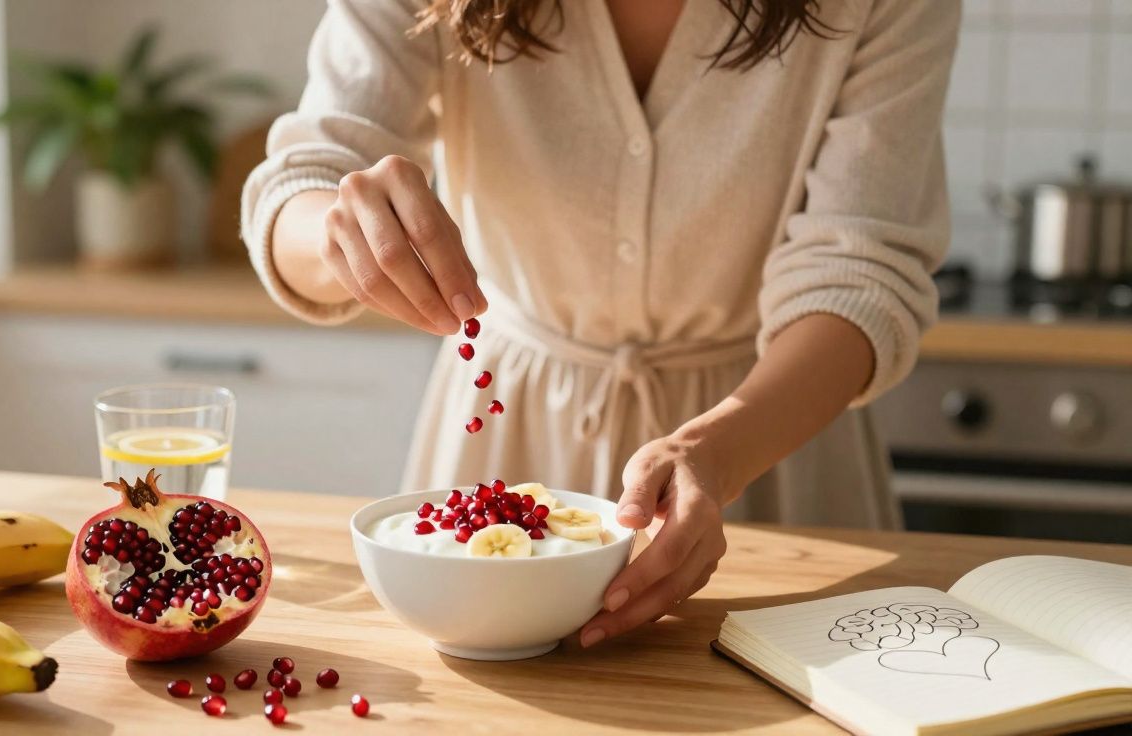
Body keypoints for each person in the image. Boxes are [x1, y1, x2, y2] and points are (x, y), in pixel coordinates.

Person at [242, 0, 958, 649]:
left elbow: (860, 275)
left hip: (771, 442)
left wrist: (716, 451)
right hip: (505, 423)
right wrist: (338, 235)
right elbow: (304, 179)